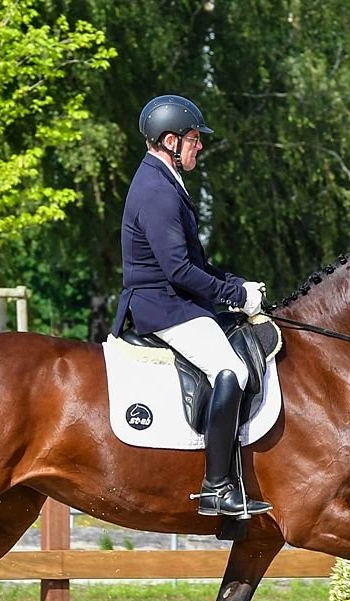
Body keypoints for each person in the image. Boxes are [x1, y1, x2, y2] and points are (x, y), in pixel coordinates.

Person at [112, 94, 271, 519]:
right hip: (162, 306)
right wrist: (235, 297)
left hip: (173, 299)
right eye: (195, 139)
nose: (199, 146)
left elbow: (195, 263)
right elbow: (180, 271)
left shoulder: (164, 181)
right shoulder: (156, 191)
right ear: (170, 141)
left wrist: (236, 283)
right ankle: (216, 487)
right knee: (231, 369)